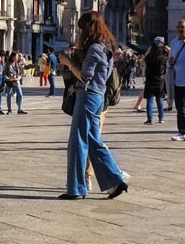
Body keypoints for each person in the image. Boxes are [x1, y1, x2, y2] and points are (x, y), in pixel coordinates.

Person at [56, 12, 130, 200]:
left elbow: (84, 75)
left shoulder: (94, 48)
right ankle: (115, 180)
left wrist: (68, 63)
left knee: (77, 142)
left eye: (82, 28)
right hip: (98, 97)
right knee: (91, 140)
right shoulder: (107, 47)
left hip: (88, 96)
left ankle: (77, 188)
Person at [142, 38, 169, 125]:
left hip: (150, 79)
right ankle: (161, 118)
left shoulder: (148, 58)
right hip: (159, 80)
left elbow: (143, 62)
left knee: (149, 100)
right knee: (159, 99)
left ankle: (150, 119)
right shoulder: (163, 58)